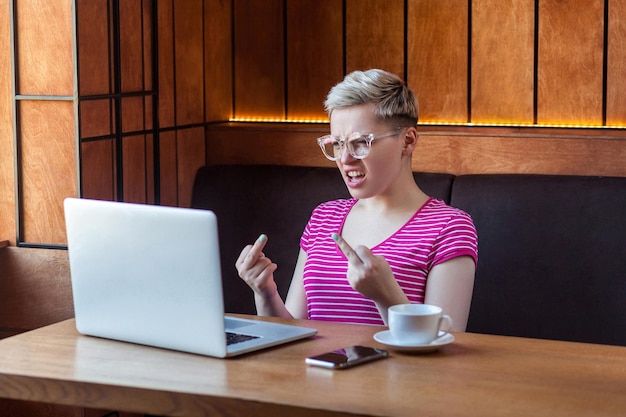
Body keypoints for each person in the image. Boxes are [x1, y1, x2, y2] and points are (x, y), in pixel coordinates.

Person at [236, 69, 478, 331]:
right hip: (312, 372)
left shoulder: (449, 228)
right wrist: (265, 293)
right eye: (338, 144)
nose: (345, 158)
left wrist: (387, 298)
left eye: (361, 142)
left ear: (407, 141)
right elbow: (292, 335)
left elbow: (444, 350)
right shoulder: (323, 218)